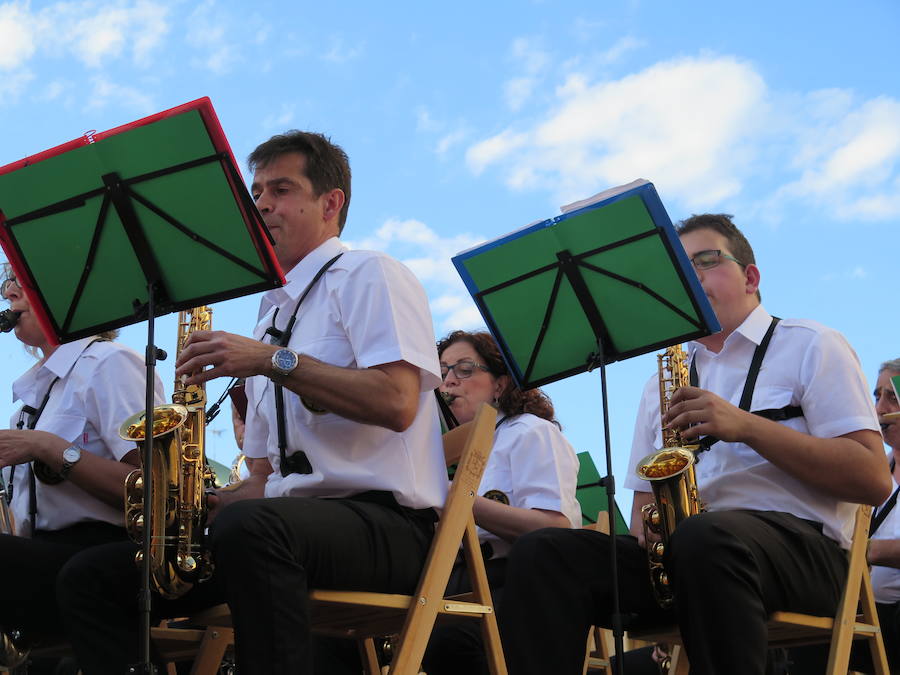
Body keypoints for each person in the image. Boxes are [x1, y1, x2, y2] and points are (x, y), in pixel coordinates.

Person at [56, 130, 446, 675]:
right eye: (257, 190)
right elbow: (264, 477)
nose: (261, 204)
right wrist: (209, 504)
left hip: (388, 528)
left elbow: (399, 402)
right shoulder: (270, 315)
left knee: (253, 531)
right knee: (92, 574)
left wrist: (272, 362)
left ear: (331, 203)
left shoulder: (368, 273)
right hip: (287, 523)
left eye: (280, 189)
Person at [495, 213, 891, 675]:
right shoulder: (660, 382)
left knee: (706, 538)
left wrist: (745, 426)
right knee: (544, 553)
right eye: (680, 271)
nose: (692, 277)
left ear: (751, 276)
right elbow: (644, 502)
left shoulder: (811, 344)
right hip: (695, 555)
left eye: (706, 260)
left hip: (806, 553)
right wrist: (653, 530)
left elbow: (871, 477)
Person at [0, 266, 164, 669]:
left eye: (20, 277)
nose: (7, 290)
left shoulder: (109, 363)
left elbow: (157, 490)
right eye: (6, 281)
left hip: (107, 556)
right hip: (49, 559)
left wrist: (47, 447)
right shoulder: (32, 399)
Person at [420, 329, 581, 675]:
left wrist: (457, 498)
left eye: (464, 369)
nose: (448, 382)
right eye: (443, 372)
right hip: (460, 584)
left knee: (445, 639)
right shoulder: (456, 452)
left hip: (515, 585)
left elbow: (554, 530)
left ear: (501, 384)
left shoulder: (529, 430)